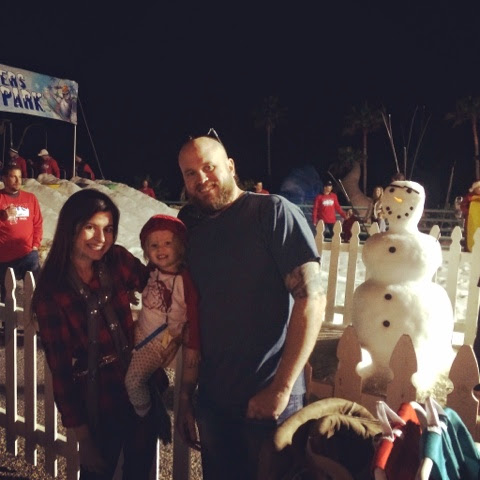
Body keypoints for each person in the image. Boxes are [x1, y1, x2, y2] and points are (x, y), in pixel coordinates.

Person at [175, 132, 326, 479]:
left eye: (209, 167)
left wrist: (281, 390)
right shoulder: (190, 227)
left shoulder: (271, 213)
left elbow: (312, 299)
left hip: (269, 398)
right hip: (214, 400)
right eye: (190, 173)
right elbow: (189, 311)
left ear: (230, 166)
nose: (201, 179)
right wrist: (186, 397)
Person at [31, 189, 161, 480]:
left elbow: (156, 285)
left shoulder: (116, 259)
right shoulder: (53, 292)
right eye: (90, 227)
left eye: (108, 229)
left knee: (139, 471)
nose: (101, 238)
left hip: (140, 386)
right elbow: (61, 371)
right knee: (97, 473)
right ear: (71, 228)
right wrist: (84, 440)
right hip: (99, 402)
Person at [125, 214, 200, 418]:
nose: (161, 250)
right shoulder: (153, 270)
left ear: (180, 246)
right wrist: (130, 290)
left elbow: (195, 314)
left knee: (133, 381)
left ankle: (145, 417)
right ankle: (156, 384)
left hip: (159, 342)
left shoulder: (185, 280)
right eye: (154, 245)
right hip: (141, 330)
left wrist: (193, 347)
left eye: (168, 243)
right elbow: (141, 283)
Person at [0, 164, 42, 301]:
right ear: (4, 179)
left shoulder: (30, 198)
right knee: (7, 298)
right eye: (13, 177)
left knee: (36, 293)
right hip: (4, 258)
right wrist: (2, 216)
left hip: (28, 254)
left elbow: (37, 223)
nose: (18, 181)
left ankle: (34, 313)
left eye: (20, 176)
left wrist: (35, 245)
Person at [460, 180, 480, 252]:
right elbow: (463, 206)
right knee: (470, 234)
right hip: (471, 220)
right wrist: (468, 213)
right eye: (478, 188)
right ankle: (469, 249)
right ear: (474, 189)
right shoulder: (469, 197)